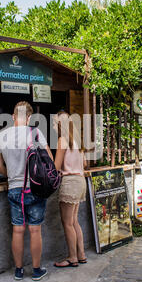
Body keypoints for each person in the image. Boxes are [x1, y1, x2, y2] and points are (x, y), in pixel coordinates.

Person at [0, 101, 54, 281]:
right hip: (34, 188)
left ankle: (18, 271)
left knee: (17, 230)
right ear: (29, 117)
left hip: (14, 189)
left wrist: (11, 176)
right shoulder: (35, 133)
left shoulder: (1, 135)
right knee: (35, 230)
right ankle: (36, 270)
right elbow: (49, 160)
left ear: (13, 117)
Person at [53, 111, 88, 268]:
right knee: (74, 221)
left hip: (69, 183)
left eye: (54, 122)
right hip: (81, 181)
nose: (53, 125)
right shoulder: (78, 141)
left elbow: (55, 166)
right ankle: (81, 254)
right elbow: (85, 164)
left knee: (67, 223)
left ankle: (72, 257)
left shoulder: (62, 140)